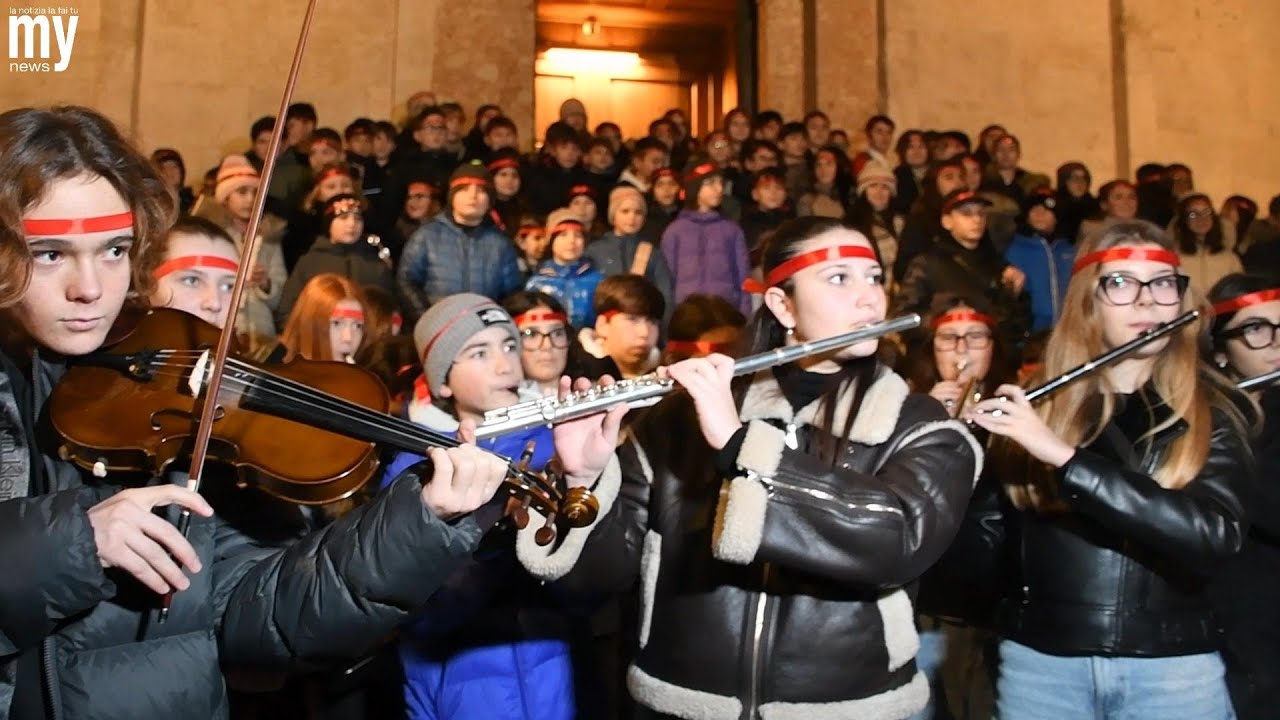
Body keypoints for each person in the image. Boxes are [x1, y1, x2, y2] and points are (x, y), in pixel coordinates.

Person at [0, 105, 515, 719]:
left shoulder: (171, 415)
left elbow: (259, 617)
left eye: (114, 250)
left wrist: (421, 523)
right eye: (52, 254)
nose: (90, 287)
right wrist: (73, 543)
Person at [516, 216, 981, 719]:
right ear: (782, 304)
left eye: (873, 277)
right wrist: (584, 482)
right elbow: (597, 580)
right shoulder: (677, 419)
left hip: (847, 709)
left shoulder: (919, 425)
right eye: (840, 278)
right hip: (684, 705)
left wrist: (739, 444)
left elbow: (900, 541)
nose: (870, 298)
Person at [963, 220, 1254, 720]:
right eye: (1120, 282)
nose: (1147, 301)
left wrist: (1065, 459)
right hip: (1042, 670)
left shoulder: (1215, 410)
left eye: (1163, 283)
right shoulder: (1040, 408)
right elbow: (981, 561)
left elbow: (1215, 534)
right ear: (1087, 301)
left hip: (1172, 672)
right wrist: (948, 455)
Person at [1205, 273, 1280, 719]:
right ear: (1219, 351)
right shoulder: (1211, 419)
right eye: (1255, 329)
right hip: (1238, 626)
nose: (1275, 342)